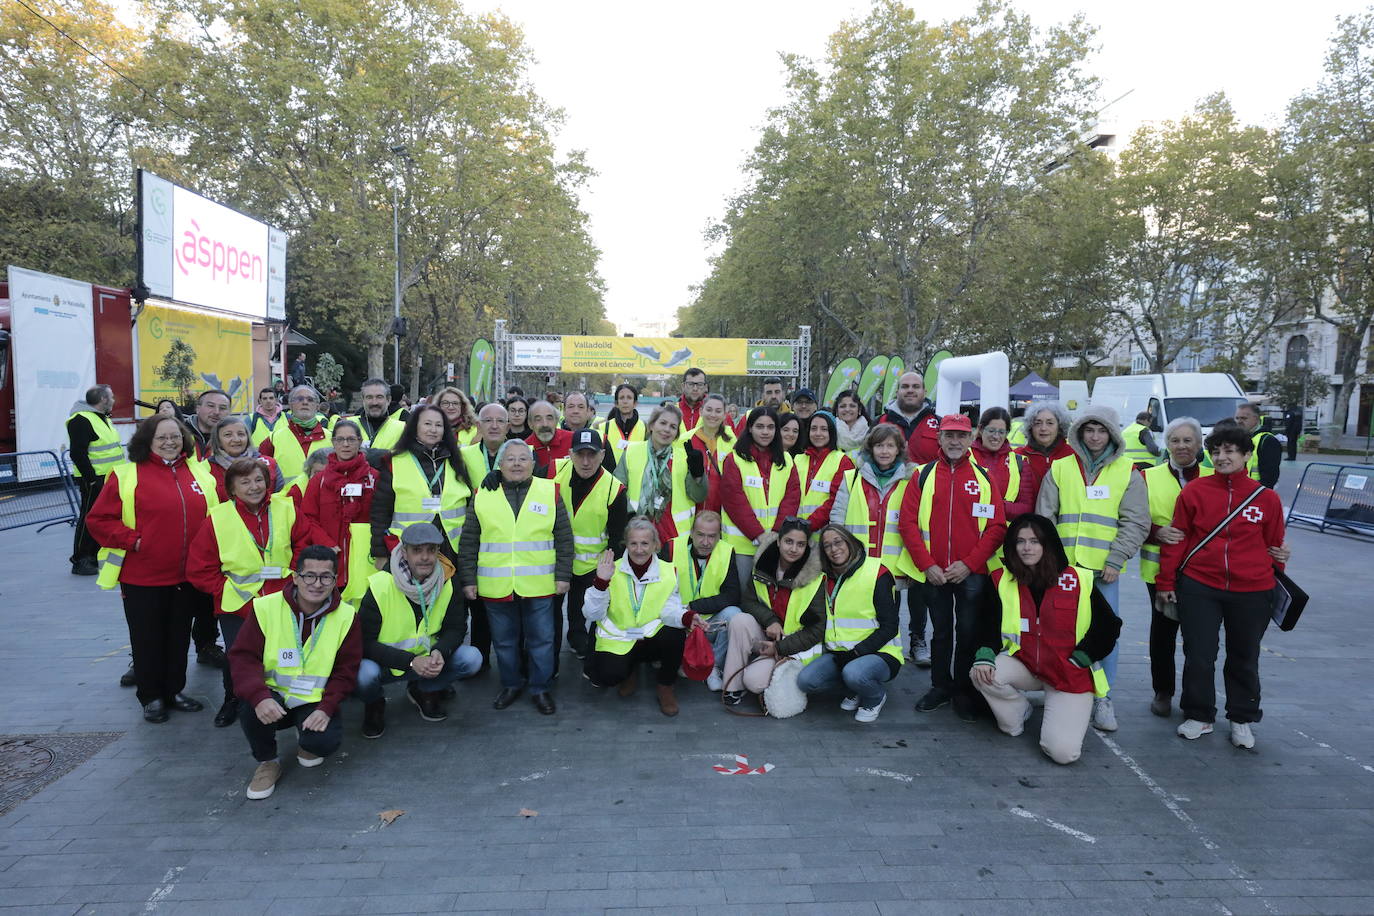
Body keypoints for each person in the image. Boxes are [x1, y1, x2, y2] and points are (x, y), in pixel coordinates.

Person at [1157, 425, 1289, 749]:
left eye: (1230, 451)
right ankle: (1199, 715)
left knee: (1244, 656)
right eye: (1216, 451)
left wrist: (1276, 577)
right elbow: (1178, 539)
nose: (1221, 457)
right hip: (1200, 585)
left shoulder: (1267, 498)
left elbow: (1275, 546)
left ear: (1246, 455)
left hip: (1253, 590)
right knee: (1199, 654)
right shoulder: (1194, 492)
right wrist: (1166, 582)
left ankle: (1242, 718)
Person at [86, 415, 219, 723]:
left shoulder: (199, 472)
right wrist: (134, 541)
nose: (170, 442)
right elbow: (98, 520)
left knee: (178, 638)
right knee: (147, 639)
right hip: (143, 576)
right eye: (161, 438)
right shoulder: (126, 475)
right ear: (147, 442)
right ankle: (151, 696)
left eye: (175, 436)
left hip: (187, 576)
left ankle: (174, 690)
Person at [1035, 405, 1150, 733]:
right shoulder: (1060, 468)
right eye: (1089, 430)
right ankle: (1058, 685)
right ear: (1079, 433)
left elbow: (1136, 522)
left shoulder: (1128, 471)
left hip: (1104, 573)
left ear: (1112, 434)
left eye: (1101, 430)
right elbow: (1045, 518)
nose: (1095, 436)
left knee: (1105, 632)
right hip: (1063, 569)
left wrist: (1116, 559)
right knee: (1059, 629)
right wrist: (1052, 563)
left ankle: (1104, 697)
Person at [971, 515, 1120, 765]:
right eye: (1020, 541)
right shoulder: (1002, 580)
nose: (1027, 548)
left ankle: (1060, 707)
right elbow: (987, 622)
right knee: (982, 672)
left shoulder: (1077, 579)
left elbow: (1109, 625)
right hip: (1026, 664)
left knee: (1063, 754)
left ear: (1047, 544)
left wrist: (1083, 656)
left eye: (1034, 541)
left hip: (1068, 673)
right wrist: (985, 654)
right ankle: (1020, 711)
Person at [188, 458, 314, 728]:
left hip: (284, 598)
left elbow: (304, 544)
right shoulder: (218, 518)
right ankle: (233, 699)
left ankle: (289, 698)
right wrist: (223, 590)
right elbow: (199, 567)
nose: (254, 486)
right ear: (232, 488)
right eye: (244, 482)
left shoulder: (286, 507)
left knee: (286, 650)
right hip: (239, 604)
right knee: (239, 655)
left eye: (259, 480)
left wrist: (296, 578)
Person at [228, 545, 361, 800]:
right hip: (272, 697)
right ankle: (268, 761)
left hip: (314, 699)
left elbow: (346, 671)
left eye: (326, 577)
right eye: (309, 575)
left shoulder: (347, 616)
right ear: (296, 577)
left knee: (322, 744)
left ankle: (307, 735)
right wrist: (259, 697)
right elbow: (243, 658)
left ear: (335, 581)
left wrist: (327, 707)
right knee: (247, 703)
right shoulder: (265, 608)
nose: (317, 583)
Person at [897, 414, 1007, 721]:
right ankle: (939, 686)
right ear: (940, 439)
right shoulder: (922, 475)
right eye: (949, 436)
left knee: (969, 631)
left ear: (972, 439)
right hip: (933, 572)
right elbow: (906, 524)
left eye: (961, 436)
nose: (955, 442)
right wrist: (927, 564)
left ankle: (962, 689)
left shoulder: (984, 477)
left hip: (970, 573)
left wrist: (970, 564)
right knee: (941, 632)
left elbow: (997, 528)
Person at [459, 440, 572, 714]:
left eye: (524, 459)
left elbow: (564, 538)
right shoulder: (482, 494)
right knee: (504, 642)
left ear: (533, 464)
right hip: (497, 585)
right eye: (511, 459)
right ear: (500, 465)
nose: (517, 464)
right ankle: (510, 684)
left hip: (540, 585)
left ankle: (540, 688)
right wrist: (468, 579)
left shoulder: (550, 492)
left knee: (543, 640)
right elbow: (470, 541)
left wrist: (563, 575)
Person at [354, 522, 482, 737]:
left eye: (431, 550)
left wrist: (440, 651)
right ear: (404, 552)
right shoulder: (380, 585)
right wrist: (411, 662)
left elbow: (456, 628)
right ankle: (374, 704)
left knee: (472, 658)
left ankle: (424, 690)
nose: (425, 557)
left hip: (429, 660)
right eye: (417, 550)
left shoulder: (448, 582)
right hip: (387, 663)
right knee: (363, 674)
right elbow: (364, 643)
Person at [1137, 417, 1212, 718]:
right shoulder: (1148, 477)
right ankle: (1163, 691)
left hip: (1204, 571)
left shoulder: (1212, 475)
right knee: (1164, 634)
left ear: (1199, 444)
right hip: (1158, 571)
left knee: (1198, 637)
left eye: (1187, 440)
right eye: (1175, 441)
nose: (1181, 446)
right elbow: (1134, 520)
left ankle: (1195, 698)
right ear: (1166, 444)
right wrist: (1157, 532)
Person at [583, 518, 694, 716]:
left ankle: (665, 686)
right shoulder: (610, 569)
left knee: (675, 634)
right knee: (608, 677)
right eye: (633, 543)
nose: (639, 549)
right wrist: (601, 582)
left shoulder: (669, 572)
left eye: (645, 543)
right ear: (625, 544)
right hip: (621, 637)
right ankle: (628, 671)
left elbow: (670, 611)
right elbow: (592, 614)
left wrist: (687, 617)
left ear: (655, 545)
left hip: (652, 637)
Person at [798, 524, 903, 722]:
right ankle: (853, 688)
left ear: (850, 542)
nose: (834, 549)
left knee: (854, 673)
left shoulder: (876, 572)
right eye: (827, 546)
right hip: (841, 654)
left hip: (879, 653)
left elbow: (890, 626)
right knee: (806, 681)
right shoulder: (825, 577)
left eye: (838, 542)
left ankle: (874, 697)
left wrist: (858, 652)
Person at [719, 519, 822, 704]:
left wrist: (780, 647)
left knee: (754, 682)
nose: (793, 549)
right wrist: (770, 620)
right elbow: (748, 601)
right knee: (739, 620)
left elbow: (816, 630)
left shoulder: (815, 579)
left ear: (807, 547)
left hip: (794, 647)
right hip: (768, 636)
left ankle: (779, 678)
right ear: (778, 541)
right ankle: (732, 687)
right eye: (789, 541)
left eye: (801, 544)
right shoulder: (763, 565)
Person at [554, 430, 629, 660]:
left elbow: (617, 536)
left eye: (592, 455)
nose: (586, 461)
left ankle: (582, 640)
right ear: (570, 454)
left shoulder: (614, 489)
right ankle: (551, 653)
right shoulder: (553, 472)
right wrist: (496, 475)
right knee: (551, 614)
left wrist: (607, 572)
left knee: (583, 608)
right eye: (580, 455)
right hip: (555, 559)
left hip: (592, 564)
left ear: (602, 454)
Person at [300, 420, 379, 604]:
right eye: (340, 439)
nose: (345, 444)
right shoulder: (318, 480)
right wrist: (326, 543)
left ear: (360, 441)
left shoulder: (374, 477)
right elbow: (308, 517)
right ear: (333, 442)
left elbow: (383, 516)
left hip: (364, 560)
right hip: (331, 559)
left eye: (351, 439)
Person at [720, 406, 801, 581]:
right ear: (750, 428)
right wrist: (759, 534)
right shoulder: (734, 459)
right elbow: (735, 502)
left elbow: (792, 498)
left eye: (770, 427)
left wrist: (777, 532)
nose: (765, 432)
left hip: (774, 543)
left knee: (766, 597)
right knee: (742, 597)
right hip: (742, 545)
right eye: (760, 426)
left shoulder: (786, 459)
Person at [615, 403, 708, 549]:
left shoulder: (684, 457)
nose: (666, 429)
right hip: (638, 533)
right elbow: (617, 493)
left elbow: (698, 496)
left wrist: (698, 475)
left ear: (677, 433)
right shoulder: (631, 451)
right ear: (652, 425)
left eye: (672, 426)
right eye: (663, 423)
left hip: (674, 535)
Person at [671, 510, 742, 690]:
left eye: (712, 536)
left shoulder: (726, 552)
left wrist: (694, 606)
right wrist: (685, 613)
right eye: (700, 535)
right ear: (692, 532)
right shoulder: (672, 548)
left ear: (719, 536)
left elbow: (732, 595)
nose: (705, 542)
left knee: (735, 615)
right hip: (679, 620)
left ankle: (711, 666)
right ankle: (681, 660)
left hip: (710, 622)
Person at [67, 384, 125, 576]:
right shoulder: (82, 420)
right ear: (103, 400)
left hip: (109, 477)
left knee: (103, 518)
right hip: (95, 479)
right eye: (112, 397)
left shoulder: (101, 418)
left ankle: (95, 556)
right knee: (88, 517)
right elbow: (77, 453)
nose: (114, 401)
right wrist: (91, 479)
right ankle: (81, 559)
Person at [971, 406, 1036, 522]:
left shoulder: (1020, 462)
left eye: (1001, 432)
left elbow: (1026, 507)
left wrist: (992, 507)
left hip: (1005, 536)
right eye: (991, 431)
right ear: (981, 429)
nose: (996, 436)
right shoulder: (966, 457)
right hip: (971, 532)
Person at [259, 385, 331, 489]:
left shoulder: (332, 438)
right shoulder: (273, 439)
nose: (305, 402)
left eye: (310, 399)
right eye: (299, 399)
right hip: (287, 503)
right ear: (291, 405)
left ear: (317, 406)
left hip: (323, 502)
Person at [796, 412, 854, 532]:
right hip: (795, 534)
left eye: (824, 429)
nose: (818, 433)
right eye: (814, 428)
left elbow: (835, 501)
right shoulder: (797, 459)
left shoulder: (843, 461)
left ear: (831, 432)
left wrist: (808, 525)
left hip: (824, 537)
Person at [207, 416, 285, 499]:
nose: (236, 439)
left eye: (241, 434)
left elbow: (280, 498)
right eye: (228, 435)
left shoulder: (269, 464)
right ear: (218, 440)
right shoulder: (206, 469)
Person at [685, 393, 736, 512]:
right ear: (701, 411)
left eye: (718, 411)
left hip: (722, 511)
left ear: (724, 415)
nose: (713, 415)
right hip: (691, 510)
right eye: (709, 410)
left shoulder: (733, 443)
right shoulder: (686, 439)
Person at [878, 371, 940, 465]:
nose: (910, 390)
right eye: (905, 386)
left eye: (916, 386)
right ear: (897, 392)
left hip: (927, 479)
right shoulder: (880, 422)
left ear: (924, 392)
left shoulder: (940, 423)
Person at [1015, 402, 1076, 489]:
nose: (1043, 428)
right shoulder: (1017, 456)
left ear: (1060, 427)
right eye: (1038, 423)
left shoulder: (1073, 455)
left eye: (1050, 423)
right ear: (1030, 427)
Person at [461, 401, 510, 484]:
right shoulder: (463, 455)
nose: (494, 426)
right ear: (479, 426)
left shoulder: (526, 454)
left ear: (507, 427)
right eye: (488, 420)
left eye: (500, 421)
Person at [1235, 402, 1282, 487]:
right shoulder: (1239, 439)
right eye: (1237, 418)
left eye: (1243, 418)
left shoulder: (1267, 440)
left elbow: (1270, 477)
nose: (1239, 421)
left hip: (1257, 493)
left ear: (1256, 419)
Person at [355, 378, 407, 451]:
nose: (374, 402)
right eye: (369, 397)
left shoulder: (402, 429)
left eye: (379, 397)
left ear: (388, 400)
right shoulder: (347, 426)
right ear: (363, 400)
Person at [526, 399, 572, 476]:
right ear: (530, 424)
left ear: (556, 421)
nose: (545, 424)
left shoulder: (573, 440)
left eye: (549, 418)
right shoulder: (525, 448)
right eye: (538, 419)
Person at [185, 388, 232, 462]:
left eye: (222, 408)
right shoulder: (180, 433)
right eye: (211, 406)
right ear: (198, 409)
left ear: (229, 413)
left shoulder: (234, 438)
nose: (216, 412)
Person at [599, 383, 646, 455]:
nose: (625, 401)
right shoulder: (604, 427)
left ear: (635, 403)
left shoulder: (645, 428)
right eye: (621, 398)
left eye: (629, 398)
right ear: (616, 403)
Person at [833, 390, 870, 456]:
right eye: (843, 406)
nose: (847, 409)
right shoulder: (828, 431)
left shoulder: (870, 433)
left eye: (852, 406)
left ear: (859, 410)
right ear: (837, 410)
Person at [677, 367, 708, 434]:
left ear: (705, 387)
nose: (695, 388)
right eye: (690, 384)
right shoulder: (671, 411)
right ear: (683, 386)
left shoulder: (718, 413)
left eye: (700, 384)